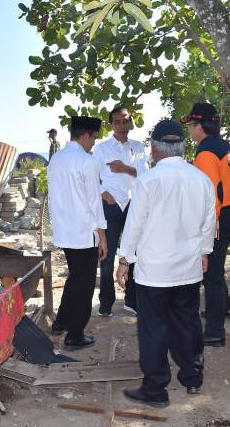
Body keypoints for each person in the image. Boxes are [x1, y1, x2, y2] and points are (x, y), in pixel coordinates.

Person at [116, 120, 215, 408]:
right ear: (183, 147)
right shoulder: (201, 179)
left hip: (154, 271)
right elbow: (209, 222)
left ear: (156, 149)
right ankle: (192, 378)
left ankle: (156, 389)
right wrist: (205, 252)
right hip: (188, 268)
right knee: (188, 322)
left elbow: (134, 225)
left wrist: (125, 260)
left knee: (153, 328)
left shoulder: (148, 180)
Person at [181, 102, 230, 347]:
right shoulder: (224, 145)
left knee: (211, 273)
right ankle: (224, 307)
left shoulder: (205, 153)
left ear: (200, 126)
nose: (190, 132)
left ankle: (215, 331)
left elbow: (209, 196)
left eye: (192, 126)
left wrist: (205, 228)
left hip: (217, 215)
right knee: (216, 263)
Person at [48, 116, 108, 350]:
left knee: (75, 277)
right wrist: (102, 234)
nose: (94, 143)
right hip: (84, 232)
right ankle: (75, 334)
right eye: (93, 138)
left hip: (65, 230)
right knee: (83, 284)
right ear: (85, 136)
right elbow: (94, 202)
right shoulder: (86, 161)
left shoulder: (56, 160)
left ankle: (61, 321)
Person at [93, 107, 148, 316]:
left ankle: (132, 300)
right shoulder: (101, 149)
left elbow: (145, 174)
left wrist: (125, 168)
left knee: (134, 252)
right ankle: (106, 303)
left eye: (126, 121)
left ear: (131, 122)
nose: (122, 126)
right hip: (111, 205)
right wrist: (102, 193)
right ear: (110, 125)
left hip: (134, 205)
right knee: (106, 256)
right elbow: (92, 178)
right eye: (117, 122)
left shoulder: (139, 147)